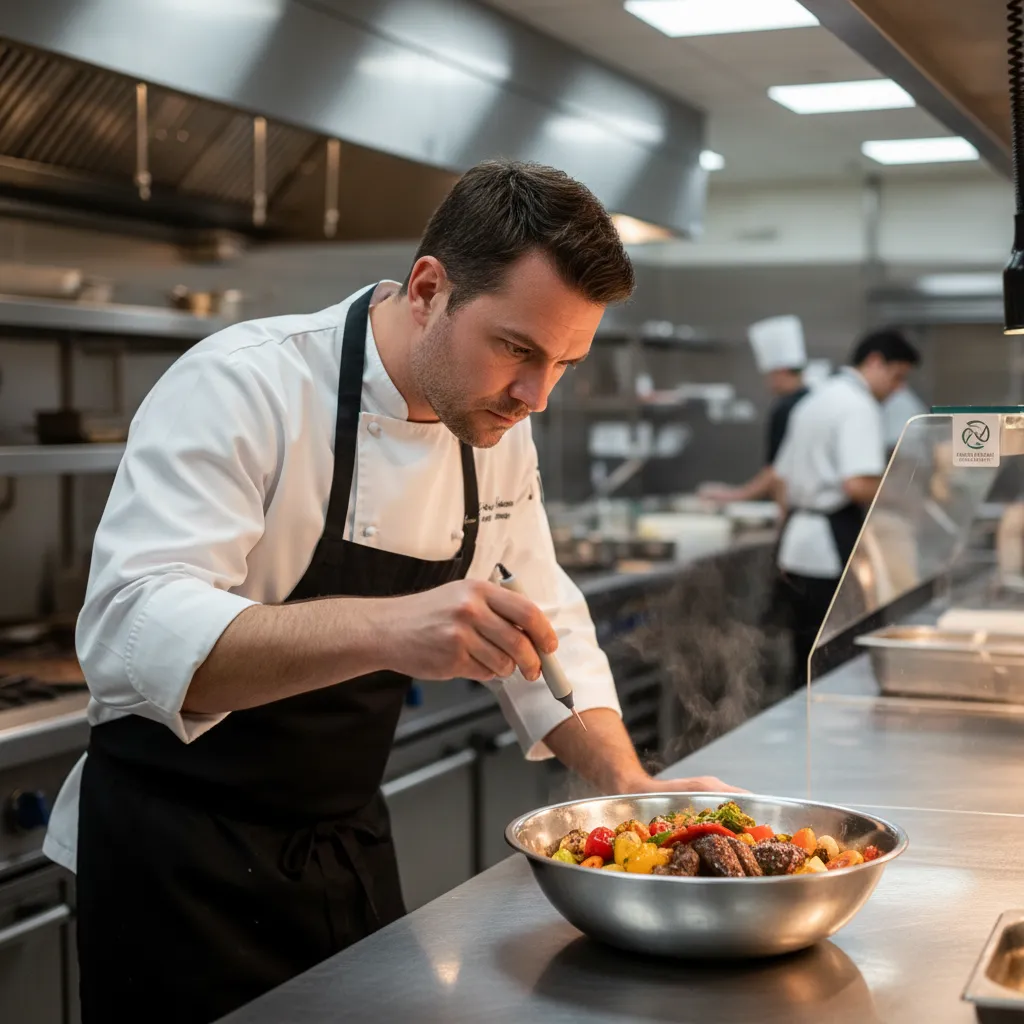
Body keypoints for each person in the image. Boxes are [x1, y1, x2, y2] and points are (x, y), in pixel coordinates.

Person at [43, 159, 738, 1024]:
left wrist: (625, 778)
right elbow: (129, 632)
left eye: (563, 363)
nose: (536, 396)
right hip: (176, 869)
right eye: (519, 349)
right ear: (428, 288)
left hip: (344, 845)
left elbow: (541, 616)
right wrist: (386, 629)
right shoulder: (245, 384)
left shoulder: (494, 426)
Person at [770, 327, 920, 688]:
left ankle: (795, 734)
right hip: (829, 550)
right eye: (896, 377)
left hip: (797, 547)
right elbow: (858, 484)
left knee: (804, 659)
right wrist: (903, 494)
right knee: (834, 663)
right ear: (874, 362)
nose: (897, 388)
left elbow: (780, 479)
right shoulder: (858, 406)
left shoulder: (815, 400)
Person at [700, 315, 809, 503]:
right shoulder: (813, 400)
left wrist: (733, 495)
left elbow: (775, 473)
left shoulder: (786, 408)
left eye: (768, 375)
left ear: (781, 371)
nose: (767, 383)